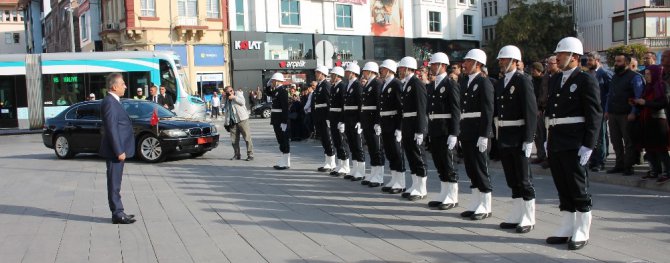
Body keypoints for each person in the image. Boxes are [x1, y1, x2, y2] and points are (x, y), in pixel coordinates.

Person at [545, 37, 602, 250]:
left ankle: (582, 229)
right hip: (557, 139)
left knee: (578, 186)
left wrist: (589, 144)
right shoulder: (555, 79)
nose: (557, 57)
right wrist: (546, 138)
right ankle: (567, 227)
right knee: (562, 185)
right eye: (558, 54)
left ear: (574, 57)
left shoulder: (586, 80)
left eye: (561, 54)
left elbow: (594, 114)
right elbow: (551, 111)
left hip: (575, 140)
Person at [494, 45, 538, 233]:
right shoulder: (501, 82)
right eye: (500, 60)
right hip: (505, 135)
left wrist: (529, 139)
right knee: (512, 178)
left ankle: (528, 217)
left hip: (519, 135)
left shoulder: (523, 80)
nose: (501, 62)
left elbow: (530, 111)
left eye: (504, 59)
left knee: (524, 179)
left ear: (514, 61)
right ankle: (517, 214)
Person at [459, 48, 494, 221]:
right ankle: (475, 202)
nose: (464, 64)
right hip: (467, 130)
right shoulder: (465, 81)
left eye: (468, 61)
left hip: (478, 131)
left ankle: (485, 205)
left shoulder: (484, 82)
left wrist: (485, 134)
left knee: (480, 168)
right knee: (470, 168)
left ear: (478, 64)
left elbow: (488, 110)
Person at [99, 72, 136, 224]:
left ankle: (119, 211)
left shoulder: (113, 101)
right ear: (114, 87)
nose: (125, 86)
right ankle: (117, 213)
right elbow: (111, 128)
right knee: (114, 182)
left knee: (116, 182)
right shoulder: (110, 102)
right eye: (122, 84)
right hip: (116, 151)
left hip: (118, 150)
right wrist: (119, 150)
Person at [425, 52, 460, 210]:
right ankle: (444, 193)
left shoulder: (450, 84)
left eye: (434, 64)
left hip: (446, 129)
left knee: (448, 163)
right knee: (439, 162)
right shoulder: (432, 85)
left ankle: (452, 196)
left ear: (443, 66)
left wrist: (454, 133)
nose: (431, 67)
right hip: (435, 129)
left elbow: (455, 110)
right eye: (431, 65)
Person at [606, 53, 644, 176]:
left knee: (628, 142)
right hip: (613, 113)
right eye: (615, 61)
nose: (616, 63)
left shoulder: (635, 77)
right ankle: (619, 164)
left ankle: (628, 166)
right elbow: (610, 95)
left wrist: (633, 112)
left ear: (626, 63)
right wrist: (607, 110)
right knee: (615, 141)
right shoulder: (615, 77)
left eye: (619, 61)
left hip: (626, 114)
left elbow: (638, 96)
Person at [631, 65, 670, 184]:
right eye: (646, 74)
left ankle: (667, 172)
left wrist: (645, 102)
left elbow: (664, 102)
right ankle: (654, 171)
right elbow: (644, 102)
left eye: (649, 74)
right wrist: (636, 103)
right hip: (646, 121)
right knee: (649, 147)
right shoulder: (648, 87)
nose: (646, 76)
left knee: (660, 148)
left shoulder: (662, 85)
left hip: (658, 121)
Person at [397, 56, 428, 201]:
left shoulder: (416, 83)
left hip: (415, 124)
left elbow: (421, 108)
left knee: (418, 156)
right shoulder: (406, 84)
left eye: (401, 68)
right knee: (410, 154)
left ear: (408, 68)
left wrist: (420, 129)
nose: (399, 70)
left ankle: (422, 188)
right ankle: (415, 184)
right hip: (407, 123)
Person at [378, 60, 407, 194]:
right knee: (389, 152)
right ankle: (394, 179)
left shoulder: (396, 84)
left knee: (396, 153)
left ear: (390, 70)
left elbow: (400, 107)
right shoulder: (385, 84)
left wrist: (399, 128)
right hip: (385, 123)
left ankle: (400, 182)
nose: (381, 71)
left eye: (383, 69)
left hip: (393, 122)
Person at [585, 51, 613, 172]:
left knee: (600, 136)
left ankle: (600, 161)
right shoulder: (588, 74)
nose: (588, 63)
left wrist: (607, 109)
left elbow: (610, 93)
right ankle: (593, 159)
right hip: (591, 110)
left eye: (590, 60)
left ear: (597, 61)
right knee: (592, 136)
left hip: (601, 110)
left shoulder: (605, 74)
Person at [359, 62, 386, 187]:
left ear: (371, 71)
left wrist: (378, 122)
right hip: (367, 121)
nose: (363, 73)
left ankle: (379, 176)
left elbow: (379, 104)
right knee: (371, 148)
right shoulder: (369, 84)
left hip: (373, 120)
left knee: (377, 148)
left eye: (365, 71)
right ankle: (373, 173)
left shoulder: (377, 83)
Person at [342, 63, 366, 181]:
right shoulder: (348, 86)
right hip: (348, 119)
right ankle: (355, 168)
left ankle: (361, 171)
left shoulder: (357, 86)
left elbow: (360, 105)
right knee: (351, 144)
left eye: (347, 71)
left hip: (355, 119)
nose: (346, 73)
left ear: (353, 73)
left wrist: (360, 121)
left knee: (358, 145)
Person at [311, 66, 337, 173]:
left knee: (328, 139)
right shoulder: (319, 86)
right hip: (319, 116)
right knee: (323, 139)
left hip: (325, 116)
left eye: (318, 72)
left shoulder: (326, 85)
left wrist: (328, 117)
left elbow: (329, 102)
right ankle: (327, 161)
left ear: (323, 74)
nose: (316, 74)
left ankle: (332, 163)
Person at [328, 67, 351, 177]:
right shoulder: (334, 87)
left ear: (337, 76)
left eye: (333, 75)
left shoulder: (342, 86)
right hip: (333, 116)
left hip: (339, 117)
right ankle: (340, 164)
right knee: (336, 141)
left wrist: (342, 120)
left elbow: (343, 105)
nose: (331, 77)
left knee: (342, 142)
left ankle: (345, 166)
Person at [266, 73, 291, 169]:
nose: (272, 82)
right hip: (276, 119)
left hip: (281, 119)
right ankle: (283, 159)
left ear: (276, 81)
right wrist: (268, 85)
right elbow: (268, 93)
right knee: (280, 140)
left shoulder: (283, 91)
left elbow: (285, 108)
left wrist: (284, 122)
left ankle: (286, 162)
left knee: (284, 140)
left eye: (272, 81)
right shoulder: (276, 90)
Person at [223, 86, 254, 161]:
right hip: (232, 122)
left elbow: (243, 102)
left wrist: (234, 97)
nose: (230, 92)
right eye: (228, 92)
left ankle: (250, 155)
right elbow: (224, 107)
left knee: (247, 138)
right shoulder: (226, 98)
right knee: (234, 140)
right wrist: (224, 97)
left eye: (231, 90)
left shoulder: (238, 94)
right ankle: (237, 154)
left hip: (242, 119)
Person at [530, 62, 548, 167]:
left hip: (541, 111)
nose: (532, 72)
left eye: (534, 70)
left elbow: (542, 95)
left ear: (539, 71)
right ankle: (540, 155)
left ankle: (545, 156)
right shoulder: (532, 81)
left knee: (542, 134)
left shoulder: (544, 80)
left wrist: (540, 108)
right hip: (534, 110)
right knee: (537, 135)